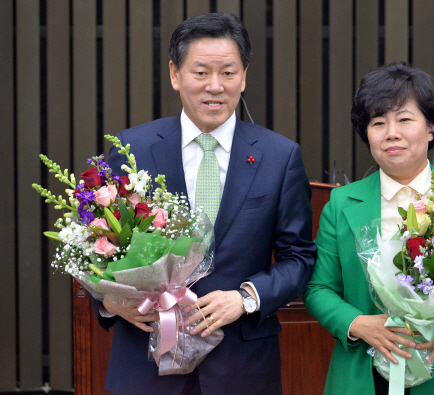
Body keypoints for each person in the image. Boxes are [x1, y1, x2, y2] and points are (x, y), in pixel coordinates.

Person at [91, 13, 317, 395]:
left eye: (228, 73)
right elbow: (98, 247)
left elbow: (300, 258)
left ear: (243, 77)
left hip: (241, 369)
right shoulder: (134, 150)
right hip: (147, 368)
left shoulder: (280, 157)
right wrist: (111, 301)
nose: (215, 86)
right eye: (200, 73)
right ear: (175, 75)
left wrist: (246, 298)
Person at [302, 62, 434, 394]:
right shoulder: (342, 204)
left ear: (430, 127)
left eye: (405, 119)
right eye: (378, 123)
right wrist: (361, 325)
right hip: (365, 372)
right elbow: (319, 288)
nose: (392, 133)